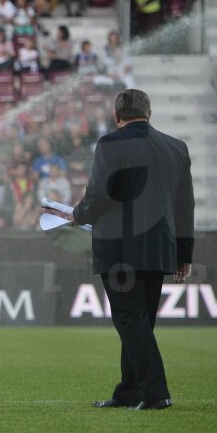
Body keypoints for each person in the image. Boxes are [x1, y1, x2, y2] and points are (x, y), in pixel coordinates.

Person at [44, 89, 194, 411]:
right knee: (140, 321)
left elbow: (99, 193)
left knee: (129, 319)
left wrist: (77, 215)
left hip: (121, 247)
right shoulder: (176, 148)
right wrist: (184, 254)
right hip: (159, 247)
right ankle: (129, 392)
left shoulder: (110, 144)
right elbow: (184, 207)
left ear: (117, 116)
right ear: (149, 113)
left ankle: (156, 393)